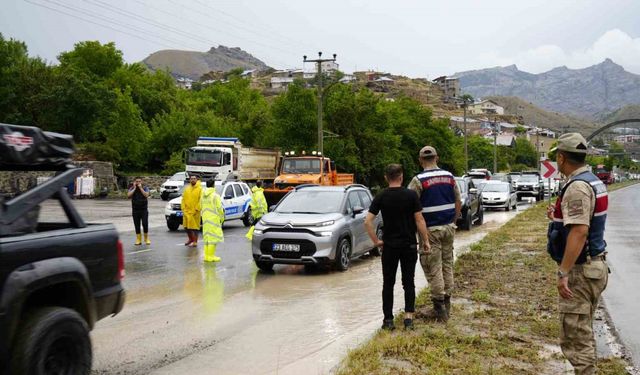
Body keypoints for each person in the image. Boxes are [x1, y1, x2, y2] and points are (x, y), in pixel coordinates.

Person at [546, 133, 609, 375]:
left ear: (561, 158)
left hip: (582, 270)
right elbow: (582, 223)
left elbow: (580, 232)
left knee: (574, 338)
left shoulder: (578, 187)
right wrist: (557, 218)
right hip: (594, 265)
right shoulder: (593, 181)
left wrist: (564, 272)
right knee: (582, 330)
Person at [365, 164, 430, 331]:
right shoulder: (411, 195)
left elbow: (367, 222)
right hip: (408, 245)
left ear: (386, 178)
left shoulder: (381, 196)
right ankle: (409, 319)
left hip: (389, 246)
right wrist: (426, 241)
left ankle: (388, 320)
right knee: (408, 282)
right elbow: (419, 220)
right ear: (401, 177)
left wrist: (376, 241)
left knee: (388, 283)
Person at [408, 146, 461, 322]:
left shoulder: (418, 180)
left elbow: (410, 204)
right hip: (448, 228)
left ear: (420, 160)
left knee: (433, 267)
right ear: (437, 158)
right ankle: (447, 304)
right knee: (448, 265)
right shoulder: (449, 176)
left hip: (430, 230)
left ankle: (439, 310)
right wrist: (453, 221)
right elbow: (458, 200)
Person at [201, 179, 225, 262]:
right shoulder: (215, 196)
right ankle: (211, 256)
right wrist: (222, 217)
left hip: (205, 219)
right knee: (213, 239)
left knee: (207, 238)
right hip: (213, 219)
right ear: (214, 185)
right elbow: (220, 208)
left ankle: (206, 256)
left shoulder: (203, 195)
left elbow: (200, 206)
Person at [127, 177, 150, 246]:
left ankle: (146, 238)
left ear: (141, 182)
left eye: (139, 181)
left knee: (145, 223)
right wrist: (134, 188)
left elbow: (146, 195)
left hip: (144, 210)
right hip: (135, 210)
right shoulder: (132, 188)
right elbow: (128, 195)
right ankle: (138, 239)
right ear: (134, 182)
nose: (138, 183)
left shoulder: (145, 188)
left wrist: (140, 188)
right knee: (137, 225)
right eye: (137, 181)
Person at [182, 175, 203, 247]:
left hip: (195, 212)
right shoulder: (187, 189)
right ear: (189, 180)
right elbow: (183, 199)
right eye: (191, 179)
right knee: (186, 227)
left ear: (197, 180)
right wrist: (183, 209)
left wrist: (197, 209)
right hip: (187, 211)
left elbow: (201, 200)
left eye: (194, 179)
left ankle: (195, 241)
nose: (193, 180)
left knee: (195, 227)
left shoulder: (200, 189)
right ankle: (190, 239)